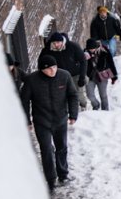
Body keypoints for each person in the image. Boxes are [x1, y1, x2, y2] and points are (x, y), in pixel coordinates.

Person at [20, 54, 79, 191]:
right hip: (42, 121)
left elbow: (73, 95)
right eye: (49, 69)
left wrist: (73, 114)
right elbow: (24, 101)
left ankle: (63, 174)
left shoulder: (64, 76)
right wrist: (27, 120)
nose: (52, 71)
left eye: (54, 67)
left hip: (61, 119)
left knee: (61, 147)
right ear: (42, 70)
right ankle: (51, 179)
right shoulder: (32, 80)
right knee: (46, 149)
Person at [42, 32, 89, 110]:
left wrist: (82, 77)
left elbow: (83, 61)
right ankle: (73, 111)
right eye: (54, 43)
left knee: (78, 94)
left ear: (62, 41)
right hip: (61, 77)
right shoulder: (48, 50)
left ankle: (83, 105)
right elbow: (41, 61)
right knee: (65, 96)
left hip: (75, 75)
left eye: (58, 43)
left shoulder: (72, 46)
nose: (56, 45)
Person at [83, 38, 118, 110]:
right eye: (90, 49)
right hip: (90, 76)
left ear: (96, 47)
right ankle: (96, 105)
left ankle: (105, 110)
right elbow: (81, 65)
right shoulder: (84, 53)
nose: (91, 50)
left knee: (103, 95)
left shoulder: (104, 51)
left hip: (103, 75)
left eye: (93, 49)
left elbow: (111, 63)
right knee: (90, 95)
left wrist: (114, 76)